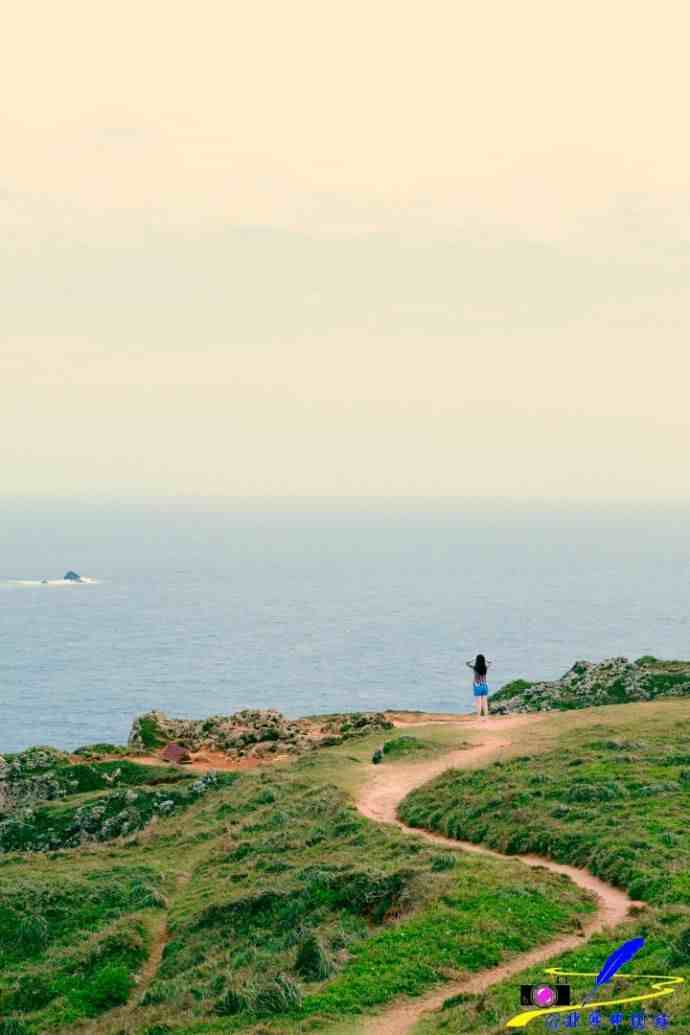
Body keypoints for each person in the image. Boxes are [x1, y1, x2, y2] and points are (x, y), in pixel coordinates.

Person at [466, 653, 491, 719]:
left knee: (478, 703)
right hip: (485, 686)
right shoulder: (485, 667)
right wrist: (486, 660)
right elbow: (490, 663)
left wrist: (473, 659)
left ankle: (478, 717)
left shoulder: (475, 668)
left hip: (477, 686)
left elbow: (467, 663)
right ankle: (486, 718)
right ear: (483, 660)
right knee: (485, 703)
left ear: (477, 660)